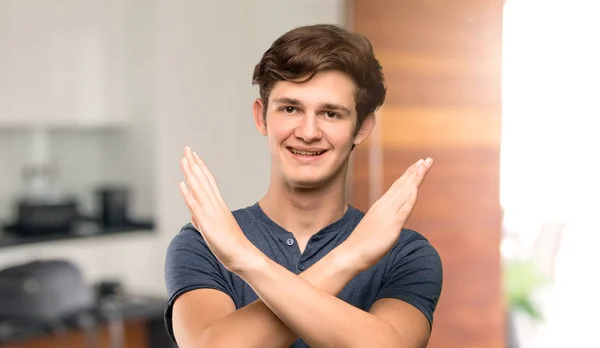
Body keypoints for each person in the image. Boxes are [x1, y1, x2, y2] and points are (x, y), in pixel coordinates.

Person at [164, 24, 442, 348]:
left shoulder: (405, 254)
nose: (308, 132)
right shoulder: (204, 244)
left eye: (330, 113)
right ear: (261, 117)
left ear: (362, 128)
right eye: (290, 108)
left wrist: (246, 261)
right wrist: (350, 256)